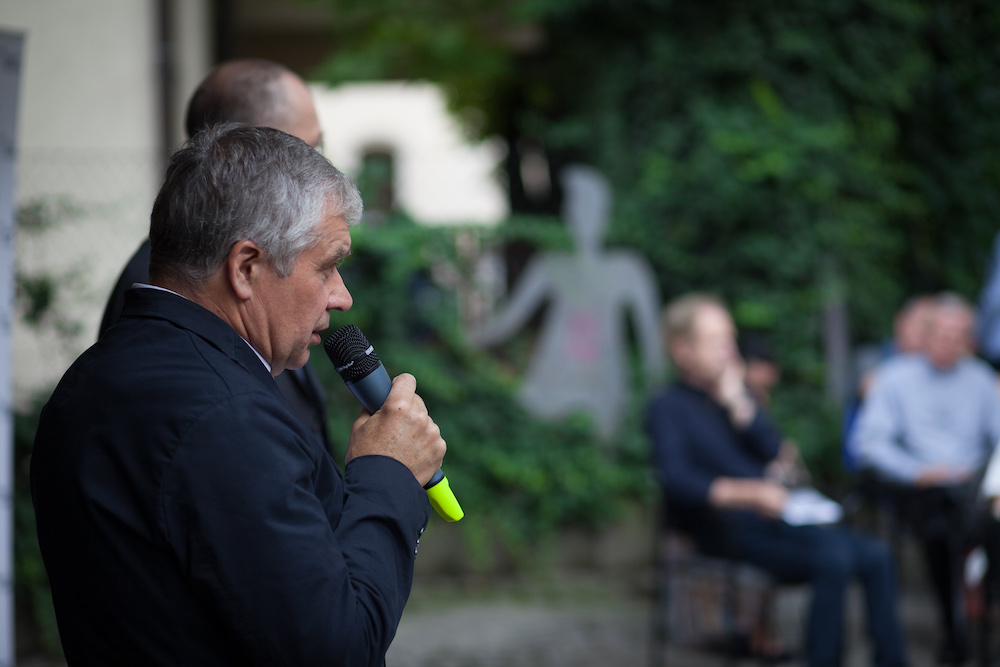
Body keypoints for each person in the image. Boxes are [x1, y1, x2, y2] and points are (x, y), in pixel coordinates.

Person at [30, 123, 446, 666]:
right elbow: (338, 649)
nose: (342, 296)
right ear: (246, 269)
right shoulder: (226, 418)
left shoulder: (91, 376)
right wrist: (389, 473)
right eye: (327, 267)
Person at [648, 293, 906, 667]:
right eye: (715, 341)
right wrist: (751, 494)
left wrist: (740, 405)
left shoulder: (736, 399)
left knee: (877, 556)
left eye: (729, 339)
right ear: (682, 349)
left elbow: (776, 453)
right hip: (725, 530)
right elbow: (676, 480)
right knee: (833, 557)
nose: (728, 350)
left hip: (777, 521)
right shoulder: (668, 406)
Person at [98, 59, 333, 452]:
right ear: (251, 152)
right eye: (311, 150)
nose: (324, 168)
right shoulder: (164, 286)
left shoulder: (258, 264)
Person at [852, 291, 1000, 664]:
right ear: (926, 334)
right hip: (922, 487)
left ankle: (983, 616)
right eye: (941, 335)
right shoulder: (894, 377)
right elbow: (868, 443)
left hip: (973, 484)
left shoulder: (981, 379)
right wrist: (915, 471)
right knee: (941, 526)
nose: (948, 344)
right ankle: (956, 630)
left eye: (957, 336)